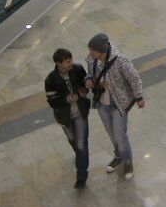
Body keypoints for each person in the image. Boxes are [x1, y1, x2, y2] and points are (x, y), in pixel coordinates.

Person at [84, 33, 145, 177]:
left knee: (120, 135)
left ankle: (128, 163)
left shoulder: (120, 61)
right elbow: (90, 74)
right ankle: (118, 156)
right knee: (111, 133)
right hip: (102, 103)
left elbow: (134, 78)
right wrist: (88, 79)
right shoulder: (92, 60)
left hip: (118, 103)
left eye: (92, 50)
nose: (90, 53)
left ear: (101, 51)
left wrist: (139, 97)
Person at [45, 49, 91, 188]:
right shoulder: (51, 79)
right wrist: (67, 100)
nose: (70, 63)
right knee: (73, 140)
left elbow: (85, 84)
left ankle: (81, 175)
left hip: (80, 113)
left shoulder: (77, 69)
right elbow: (52, 101)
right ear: (58, 63)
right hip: (64, 117)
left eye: (71, 60)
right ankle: (81, 157)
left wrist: (84, 89)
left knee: (81, 144)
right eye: (67, 62)